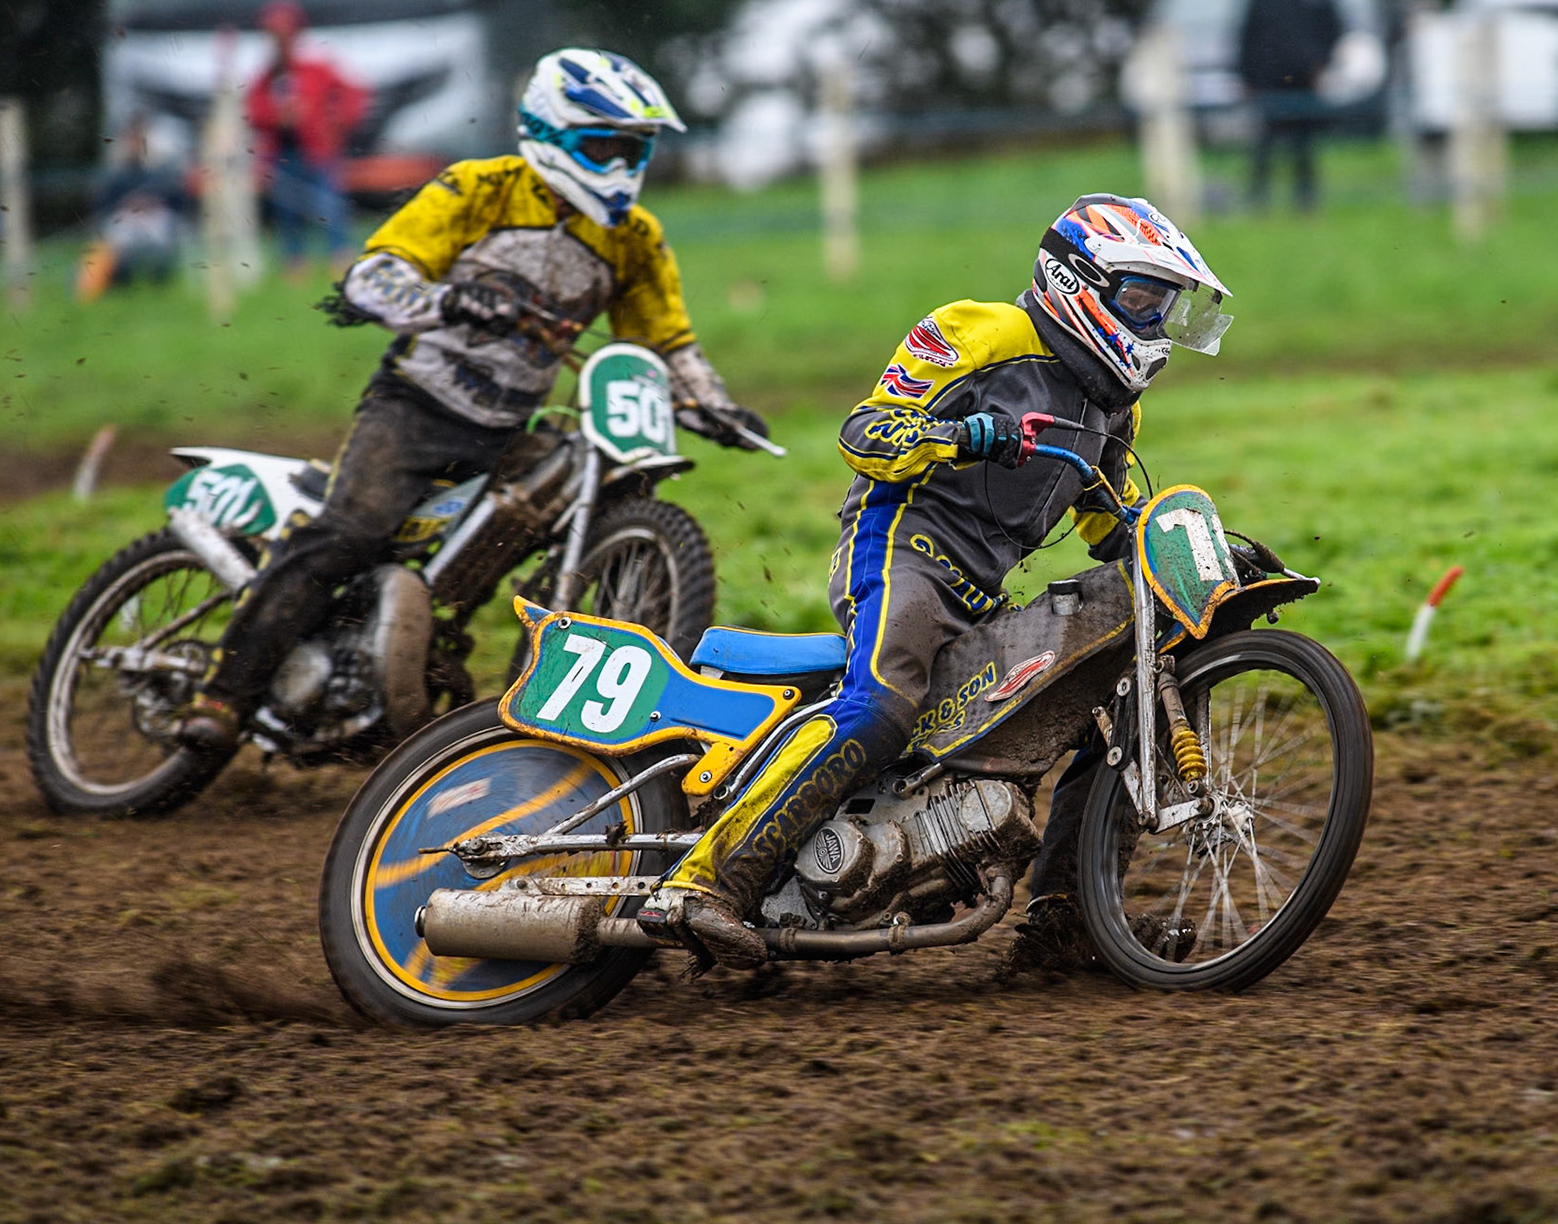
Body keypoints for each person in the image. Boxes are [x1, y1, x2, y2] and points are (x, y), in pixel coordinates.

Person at [638, 194, 1234, 971]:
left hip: (983, 591)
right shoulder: (977, 331)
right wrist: (960, 436)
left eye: (1166, 305)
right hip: (900, 551)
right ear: (1079, 280)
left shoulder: (1112, 407)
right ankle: (702, 883)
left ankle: (1067, 925)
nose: (1154, 323)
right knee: (882, 703)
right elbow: (865, 433)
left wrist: (1177, 545)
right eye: (1143, 299)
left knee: (1101, 716)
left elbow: (1102, 519)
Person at [179, 49, 770, 751]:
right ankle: (222, 694)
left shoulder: (633, 239)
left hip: (507, 426)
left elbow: (665, 342)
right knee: (352, 531)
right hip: (416, 406)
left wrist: (714, 404)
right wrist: (450, 297)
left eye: (633, 150)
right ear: (549, 134)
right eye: (602, 146)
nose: (619, 166)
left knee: (557, 494)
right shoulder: (481, 188)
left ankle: (437, 659)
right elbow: (372, 278)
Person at [245, 0, 368, 276]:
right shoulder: (267, 75)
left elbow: (354, 94)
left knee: (328, 205)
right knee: (287, 210)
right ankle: (295, 262)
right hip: (283, 152)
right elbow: (253, 110)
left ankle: (339, 256)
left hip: (318, 150)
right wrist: (278, 117)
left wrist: (337, 122)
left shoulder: (317, 68)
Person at [1237, 0, 1342, 212]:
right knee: (1264, 145)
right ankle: (1258, 201)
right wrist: (1247, 76)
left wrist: (1321, 65)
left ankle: (1306, 201)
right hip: (1268, 79)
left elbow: (1333, 30)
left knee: (1303, 145)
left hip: (1304, 78)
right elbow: (1248, 34)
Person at [76, 114, 189, 300]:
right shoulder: (118, 172)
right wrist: (128, 203)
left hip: (156, 218)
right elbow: (104, 203)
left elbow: (176, 198)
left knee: (162, 231)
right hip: (126, 219)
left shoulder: (161, 169)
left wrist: (152, 202)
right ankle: (103, 282)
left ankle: (157, 279)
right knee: (113, 238)